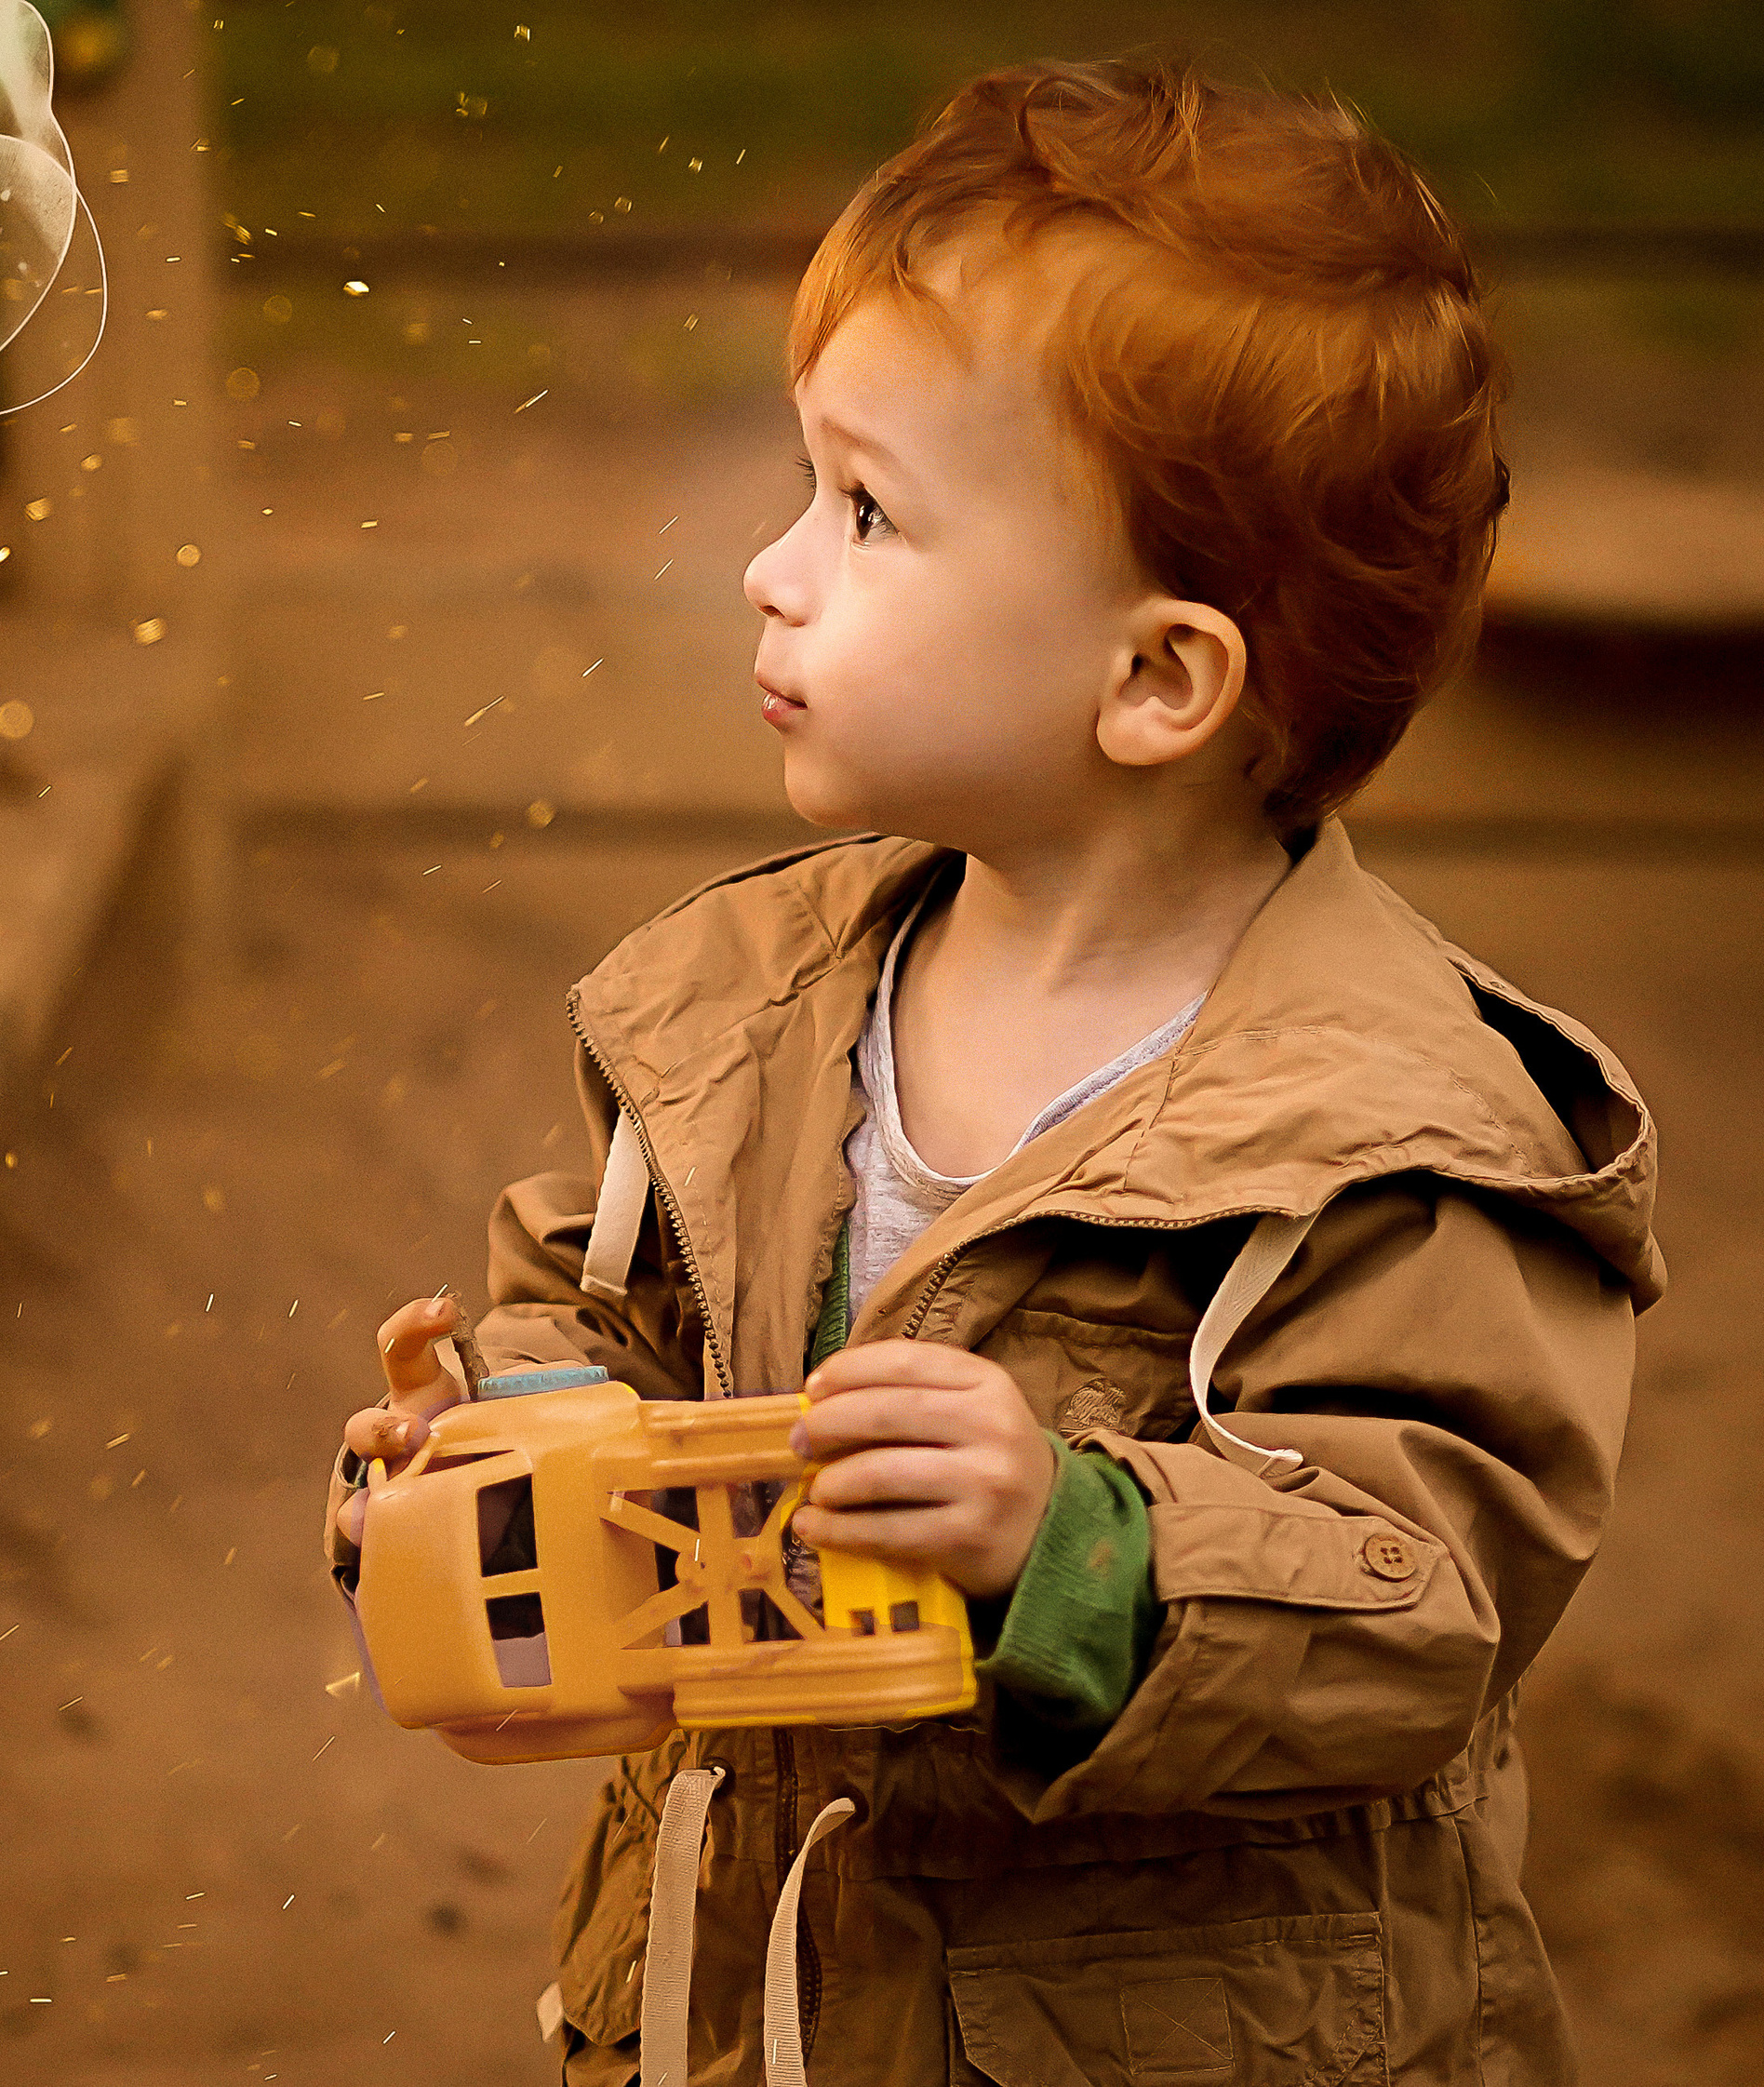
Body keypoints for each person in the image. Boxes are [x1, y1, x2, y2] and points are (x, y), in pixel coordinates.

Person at [325, 59, 1660, 2087]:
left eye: (865, 513)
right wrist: (499, 1453)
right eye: (800, 486)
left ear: (1152, 678)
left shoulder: (1406, 1141)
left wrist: (1076, 1540)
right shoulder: (738, 1009)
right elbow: (603, 1327)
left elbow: (1425, 1603)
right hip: (753, 2007)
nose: (774, 568)